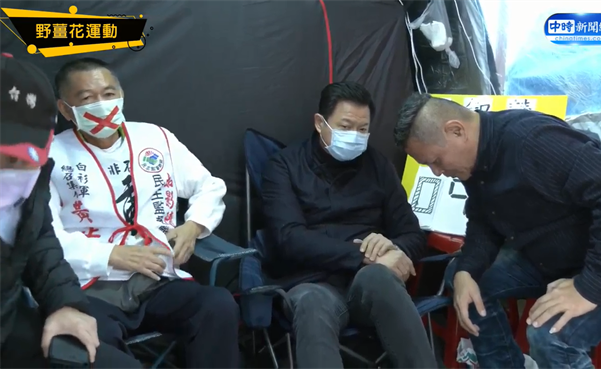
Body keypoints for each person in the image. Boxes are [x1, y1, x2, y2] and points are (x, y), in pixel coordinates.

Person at [394, 93, 601, 369]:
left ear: (456, 131)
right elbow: (485, 219)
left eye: (436, 160)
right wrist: (466, 269)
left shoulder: (533, 142)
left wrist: (589, 287)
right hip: (560, 258)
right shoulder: (475, 161)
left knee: (550, 337)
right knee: (467, 282)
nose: (437, 172)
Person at [48, 57, 240, 369]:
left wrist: (193, 226)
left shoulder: (155, 137)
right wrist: (111, 254)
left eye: (109, 94)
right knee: (91, 335)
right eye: (87, 98)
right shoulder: (51, 156)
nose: (101, 104)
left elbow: (210, 186)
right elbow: (45, 236)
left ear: (121, 94)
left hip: (156, 279)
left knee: (217, 306)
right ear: (66, 109)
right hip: (90, 285)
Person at [261, 82, 437, 369]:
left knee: (380, 276)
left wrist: (394, 249)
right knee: (311, 302)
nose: (355, 136)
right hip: (311, 282)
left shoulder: (378, 166)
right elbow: (288, 238)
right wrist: (363, 256)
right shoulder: (283, 166)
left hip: (368, 285)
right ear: (320, 123)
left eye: (363, 129)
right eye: (345, 126)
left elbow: (412, 233)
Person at [0, 54, 143, 368]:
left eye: (26, 157)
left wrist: (65, 304)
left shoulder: (35, 174)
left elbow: (40, 242)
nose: (16, 169)